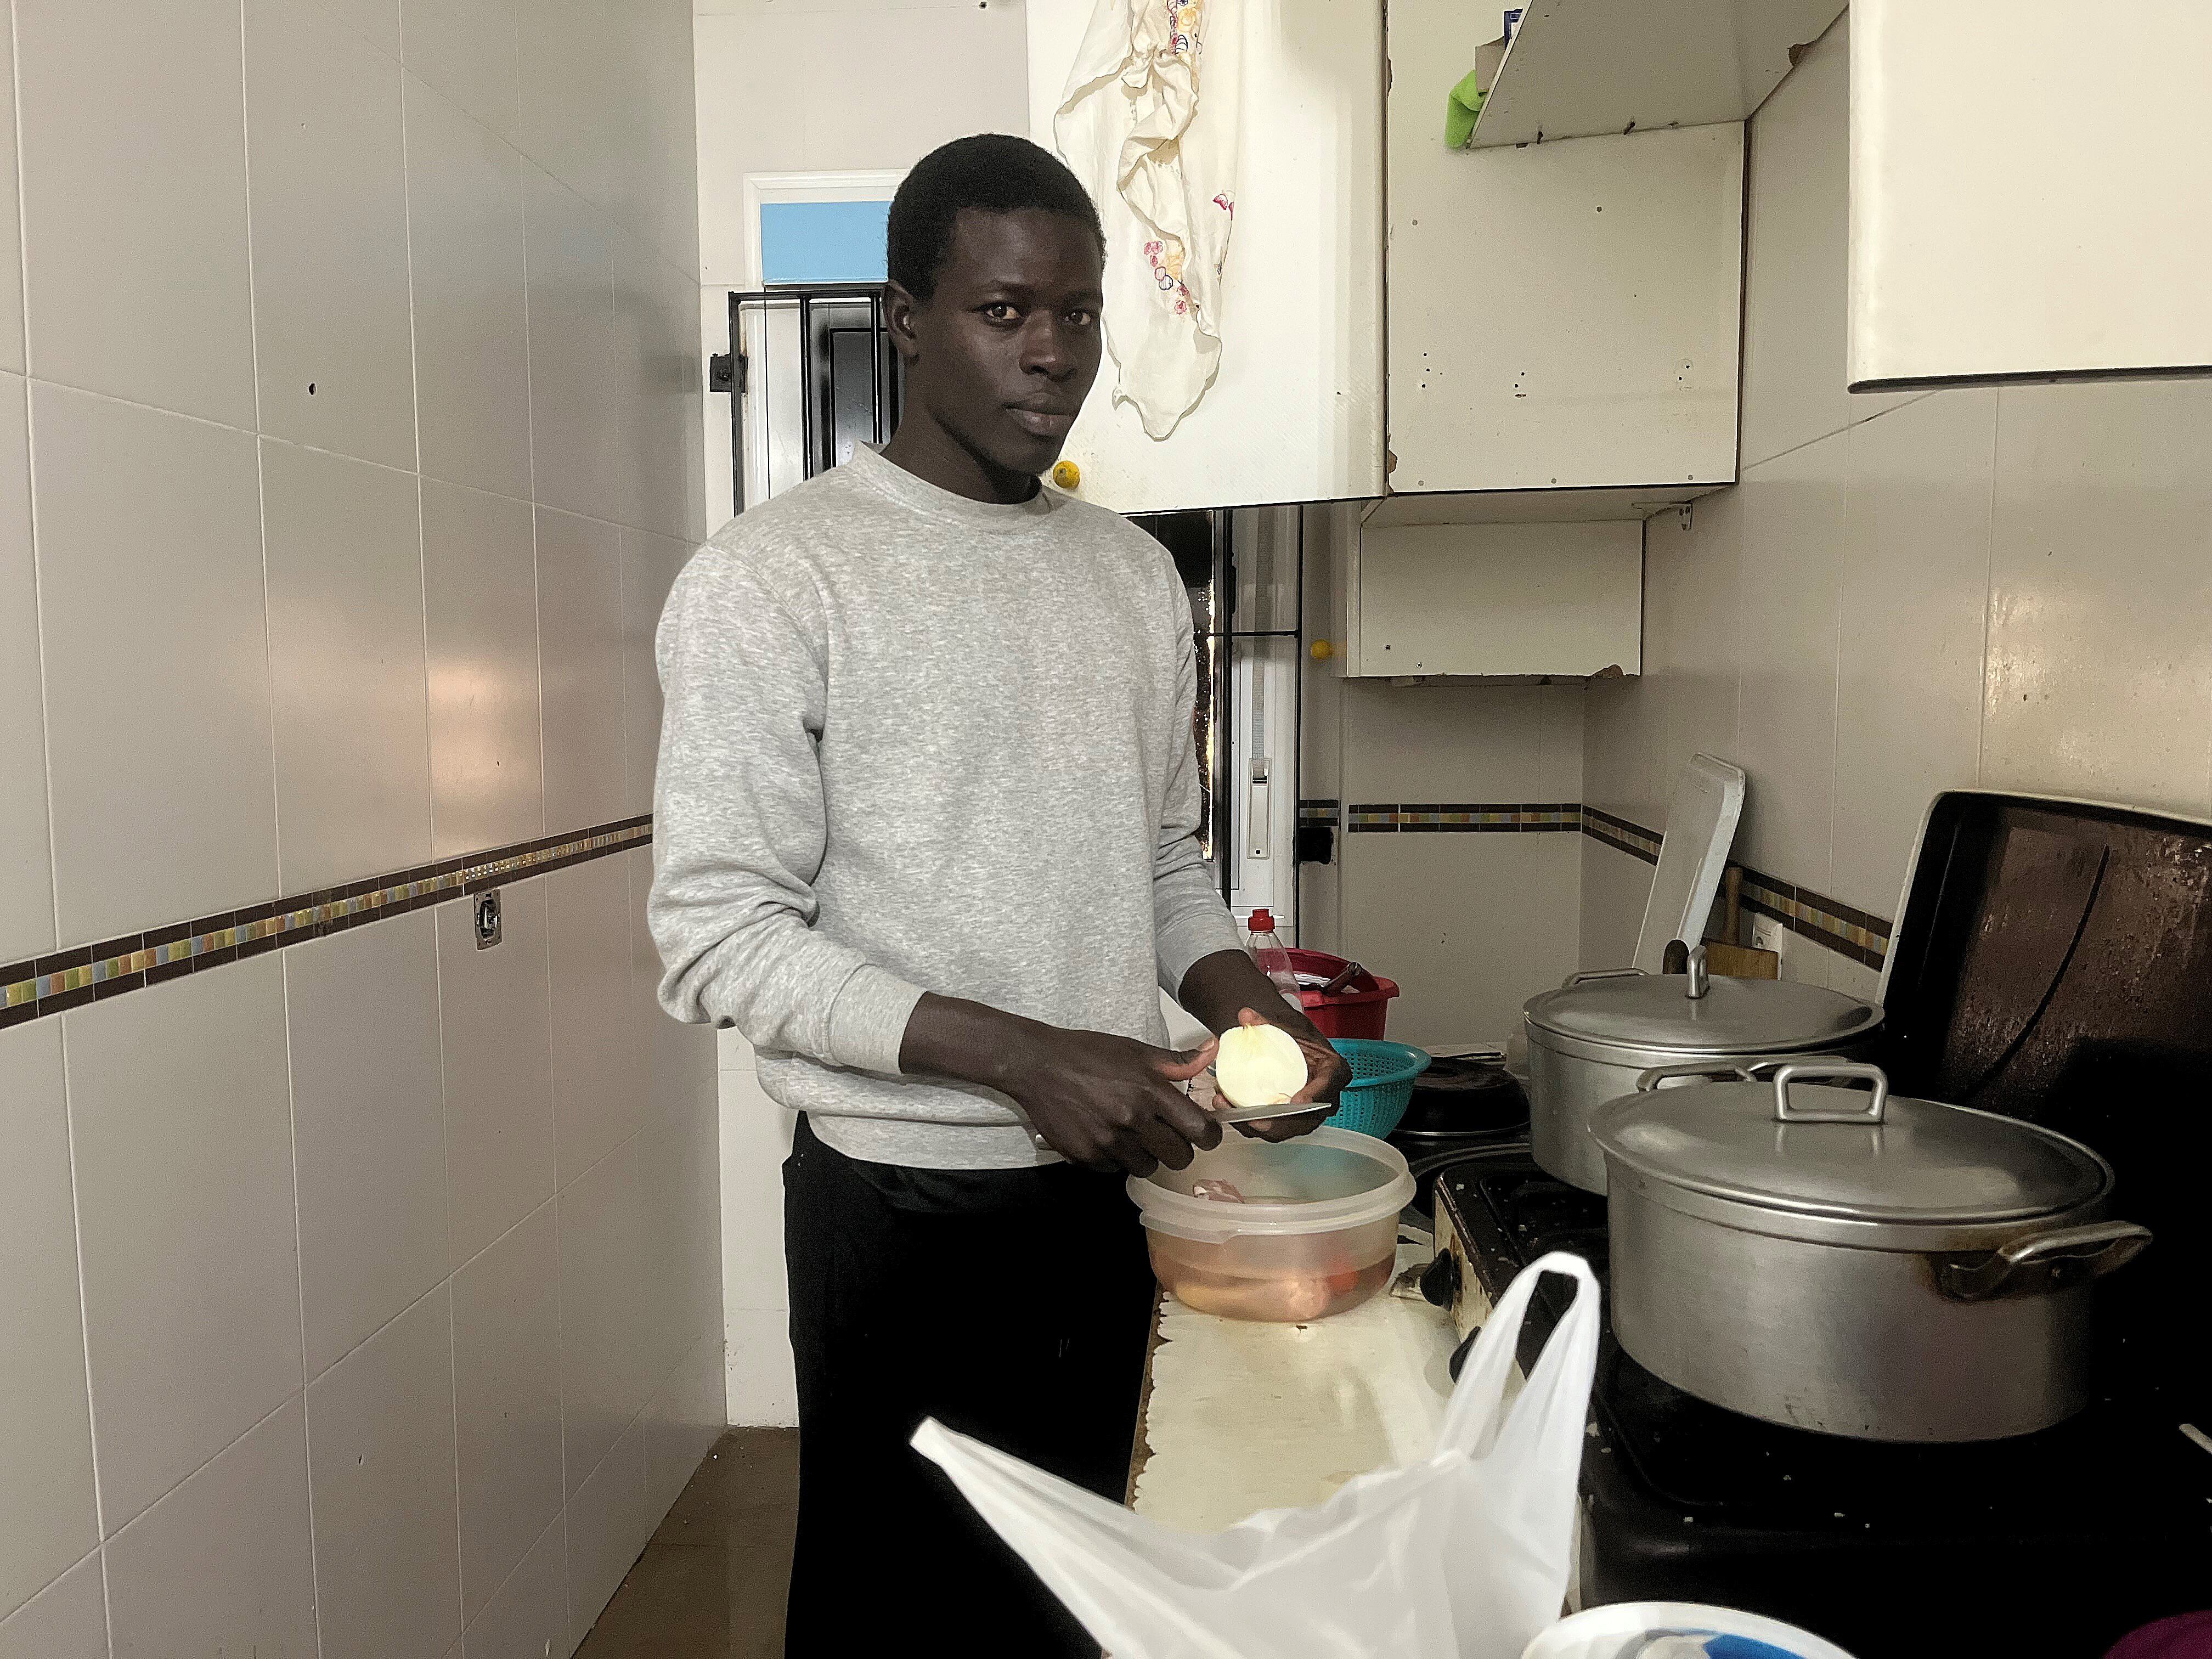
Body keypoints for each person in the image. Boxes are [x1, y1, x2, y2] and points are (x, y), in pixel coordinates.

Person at [648, 132, 1350, 1655]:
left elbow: (1163, 860)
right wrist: (1025, 1055)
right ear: (907, 320)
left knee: (1076, 1586)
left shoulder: (1132, 578)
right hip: (895, 1210)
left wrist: (1253, 1009)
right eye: (1006, 312)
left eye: (1081, 314)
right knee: (897, 1611)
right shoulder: (776, 581)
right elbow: (718, 934)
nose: (1054, 355)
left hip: (1108, 1194)